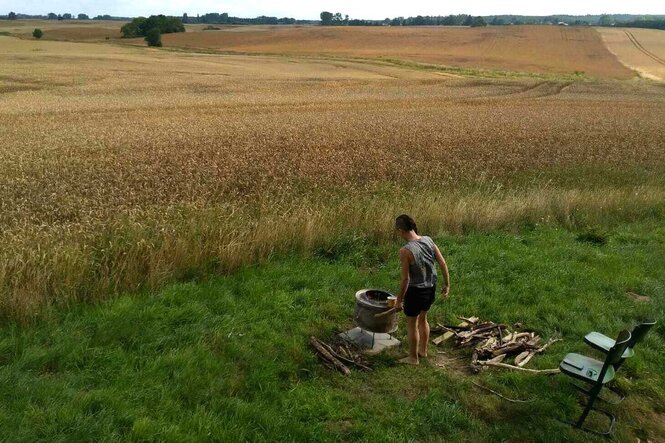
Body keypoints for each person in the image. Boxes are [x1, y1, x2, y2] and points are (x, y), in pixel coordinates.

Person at [394, 214, 450, 365]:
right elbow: (443, 263)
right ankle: (422, 351)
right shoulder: (428, 240)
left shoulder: (405, 251)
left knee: (412, 324)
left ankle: (413, 358)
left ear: (400, 230)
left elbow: (406, 279)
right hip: (431, 288)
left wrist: (399, 300)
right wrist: (447, 284)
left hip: (415, 292)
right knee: (423, 319)